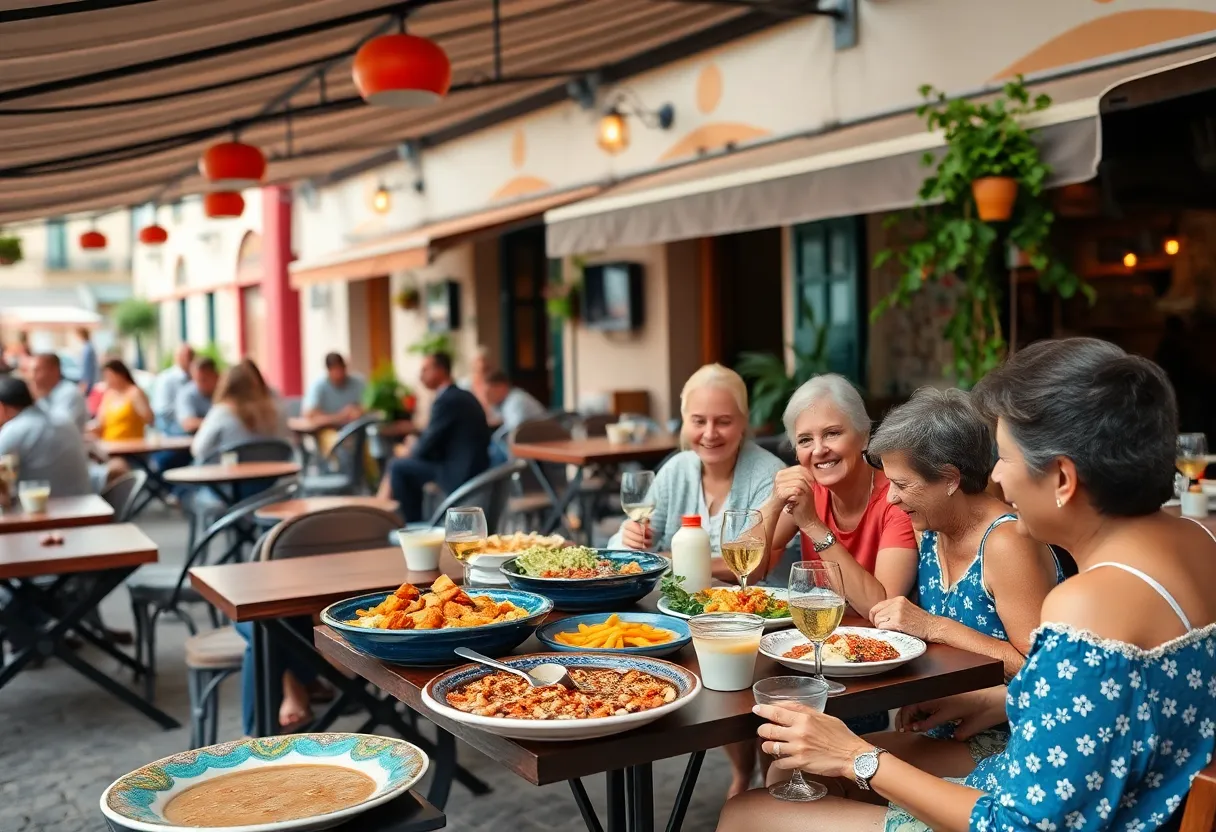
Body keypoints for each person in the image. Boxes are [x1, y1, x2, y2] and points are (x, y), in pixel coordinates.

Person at [718, 337, 1216, 832]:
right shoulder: (1198, 539)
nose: (995, 475)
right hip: (1122, 799)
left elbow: (1015, 824)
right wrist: (989, 700)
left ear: (1062, 478)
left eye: (1004, 459)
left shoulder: (1085, 606)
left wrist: (856, 756)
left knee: (748, 813)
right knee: (798, 776)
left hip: (1027, 810)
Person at [859, 386, 1062, 771]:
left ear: (950, 478)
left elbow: (1040, 672)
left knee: (804, 772)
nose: (891, 499)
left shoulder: (1006, 543)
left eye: (901, 485)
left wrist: (934, 626)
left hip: (1012, 745)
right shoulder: (933, 527)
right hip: (950, 726)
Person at [607, 363, 787, 798]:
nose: (709, 433)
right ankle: (743, 776)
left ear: (744, 422)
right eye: (699, 421)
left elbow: (753, 561)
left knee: (739, 689)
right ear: (684, 422)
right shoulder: (678, 469)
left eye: (723, 421)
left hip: (759, 617)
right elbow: (628, 550)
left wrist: (666, 559)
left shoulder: (767, 474)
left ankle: (767, 786)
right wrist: (627, 535)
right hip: (685, 613)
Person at [759, 374, 918, 614]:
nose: (819, 449)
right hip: (818, 635)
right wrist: (773, 502)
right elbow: (747, 572)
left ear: (864, 436)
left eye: (832, 433)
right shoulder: (807, 490)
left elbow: (881, 608)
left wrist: (813, 525)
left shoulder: (896, 498)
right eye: (805, 440)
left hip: (880, 644)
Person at [379, 351, 489, 521]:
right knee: (400, 463)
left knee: (397, 467)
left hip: (460, 474)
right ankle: (381, 510)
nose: (420, 375)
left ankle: (410, 526)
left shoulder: (446, 400)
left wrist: (410, 449)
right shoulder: (461, 396)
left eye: (425, 370)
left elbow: (424, 448)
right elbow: (439, 438)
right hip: (474, 470)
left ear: (440, 371)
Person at [0, 377, 92, 496]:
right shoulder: (64, 420)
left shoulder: (14, 430)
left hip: (45, 510)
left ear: (1, 407)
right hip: (85, 505)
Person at [190, 359, 286, 462]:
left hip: (229, 475)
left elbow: (198, 449)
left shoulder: (221, 412)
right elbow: (288, 443)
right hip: (272, 475)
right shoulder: (274, 411)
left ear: (224, 386)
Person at [90, 359, 152, 441]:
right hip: (110, 444)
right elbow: (101, 421)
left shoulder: (135, 392)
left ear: (120, 375)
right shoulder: (109, 394)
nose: (108, 380)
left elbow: (149, 418)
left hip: (131, 445)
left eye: (110, 376)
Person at [302, 352, 365, 425]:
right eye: (335, 370)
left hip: (355, 427)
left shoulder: (358, 382)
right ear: (328, 370)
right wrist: (340, 416)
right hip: (329, 428)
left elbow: (369, 406)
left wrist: (359, 410)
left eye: (341, 369)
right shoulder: (318, 386)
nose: (339, 374)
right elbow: (308, 414)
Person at [30, 353, 88, 432]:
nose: (33, 376)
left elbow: (59, 427)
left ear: (54, 371)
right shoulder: (43, 396)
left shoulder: (69, 393)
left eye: (37, 371)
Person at [152, 344, 194, 435]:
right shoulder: (166, 379)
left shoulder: (195, 377)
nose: (189, 359)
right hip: (172, 428)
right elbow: (162, 410)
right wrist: (185, 415)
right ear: (176, 358)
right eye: (185, 356)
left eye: (190, 356)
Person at [77, 327, 98, 397]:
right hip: (90, 379)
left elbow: (87, 367)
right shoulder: (89, 347)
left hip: (89, 381)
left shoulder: (87, 348)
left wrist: (85, 382)